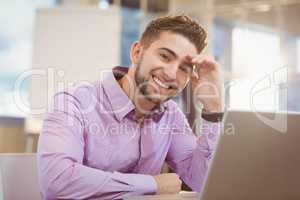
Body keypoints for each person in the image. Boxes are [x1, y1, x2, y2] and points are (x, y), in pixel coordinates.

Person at [37, 14, 224, 200]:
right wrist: (153, 184)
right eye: (165, 56)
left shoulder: (170, 115)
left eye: (184, 68)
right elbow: (57, 182)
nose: (171, 74)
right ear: (137, 52)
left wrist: (213, 110)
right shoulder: (74, 102)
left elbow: (203, 181)